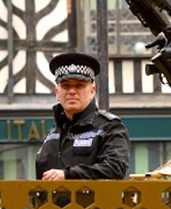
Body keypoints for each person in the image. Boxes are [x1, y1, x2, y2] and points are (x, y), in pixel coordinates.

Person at [36, 52, 130, 180]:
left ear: (92, 91)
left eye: (79, 85)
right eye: (65, 86)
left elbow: (115, 168)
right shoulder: (53, 132)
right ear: (57, 92)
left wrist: (67, 175)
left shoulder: (109, 127)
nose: (72, 91)